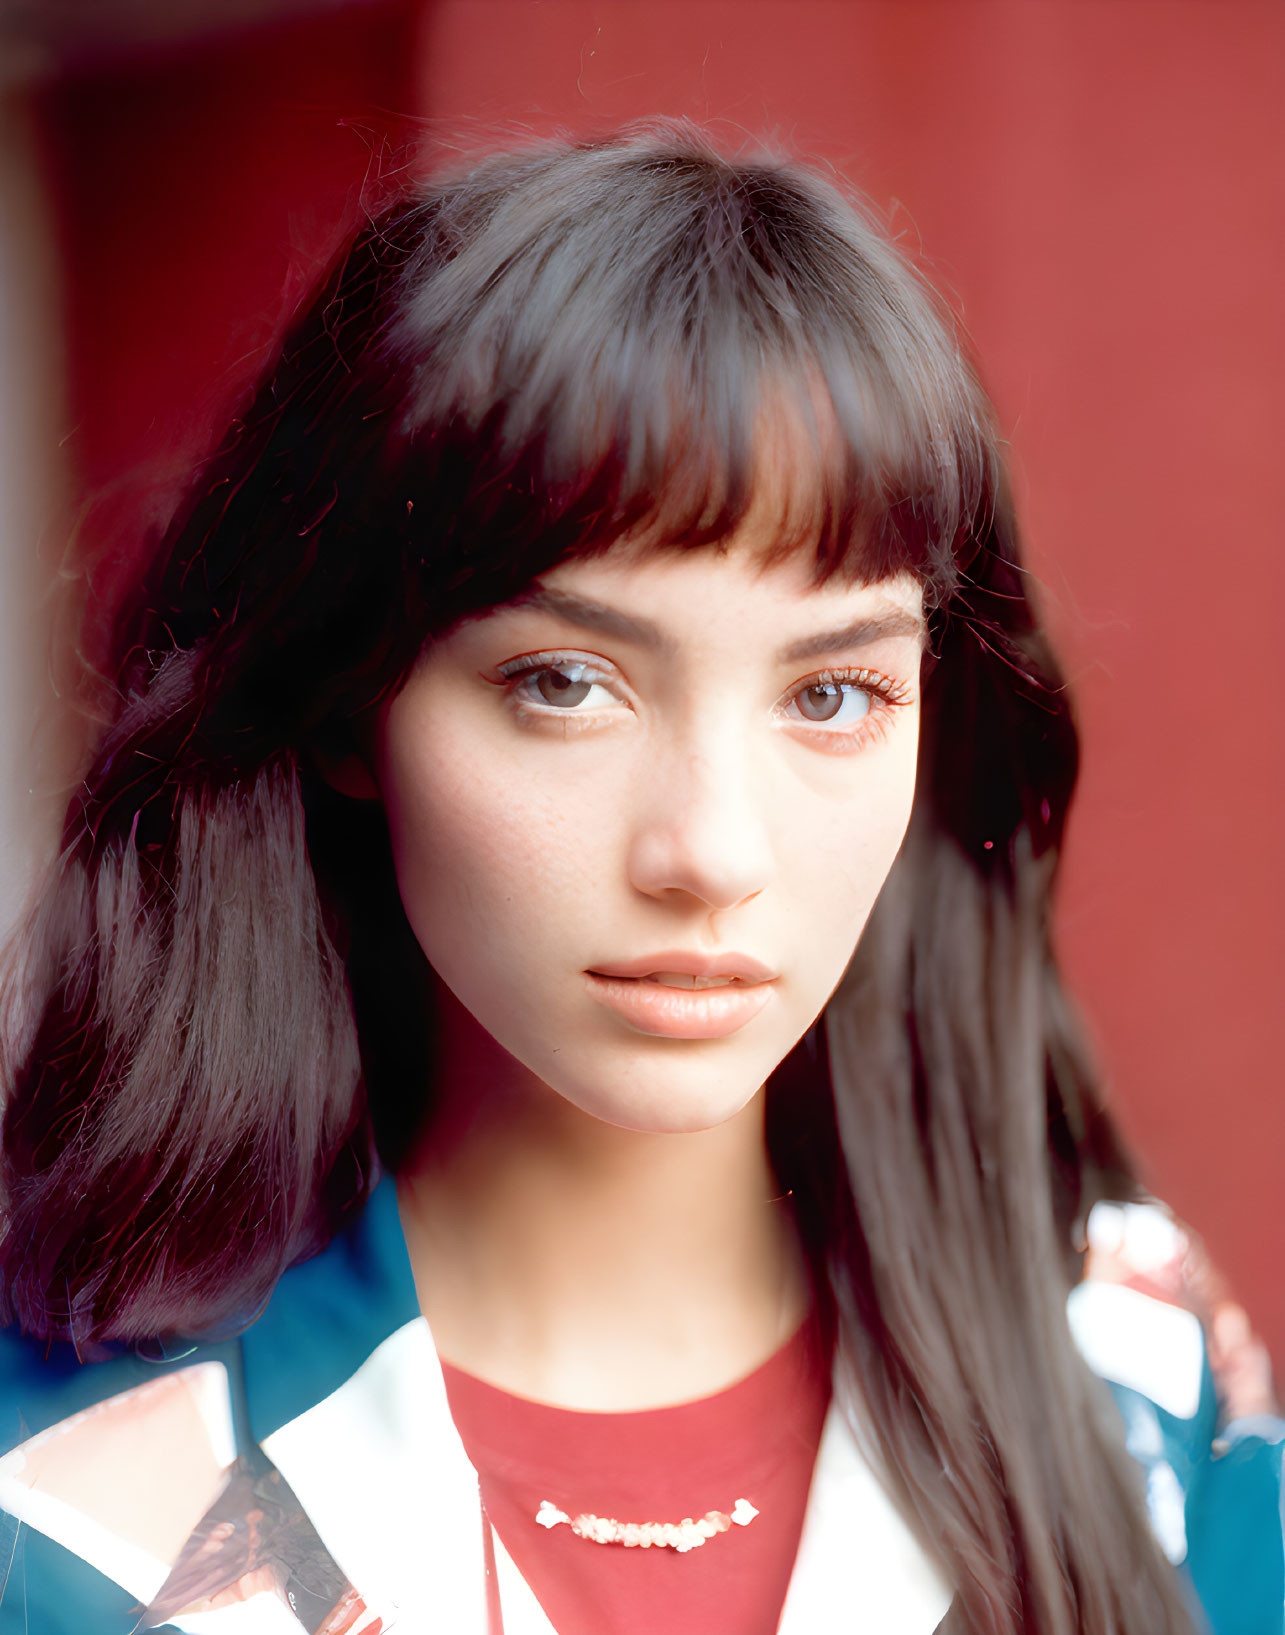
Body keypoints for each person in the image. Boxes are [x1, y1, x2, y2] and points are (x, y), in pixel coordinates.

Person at [0, 122, 1277, 1635]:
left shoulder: (1137, 1384)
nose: (712, 852)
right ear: (352, 705)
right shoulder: (63, 1508)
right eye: (562, 684)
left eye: (830, 696)